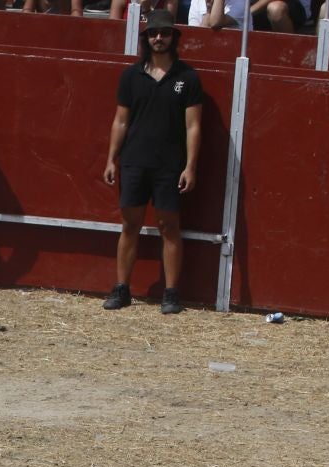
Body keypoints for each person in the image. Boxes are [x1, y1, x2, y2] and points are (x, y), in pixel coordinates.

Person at [101, 9, 202, 316]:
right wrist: (111, 159)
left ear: (174, 37)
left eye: (165, 33)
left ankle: (171, 293)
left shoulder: (187, 78)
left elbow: (193, 126)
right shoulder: (131, 76)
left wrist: (190, 166)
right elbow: (120, 121)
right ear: (146, 38)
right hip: (134, 161)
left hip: (170, 165)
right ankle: (122, 287)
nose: (159, 38)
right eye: (154, 33)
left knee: (169, 226)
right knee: (130, 224)